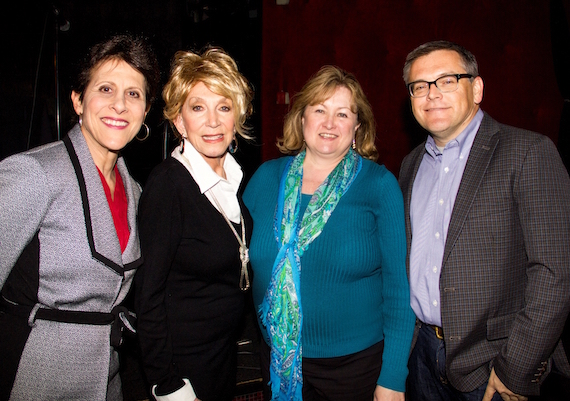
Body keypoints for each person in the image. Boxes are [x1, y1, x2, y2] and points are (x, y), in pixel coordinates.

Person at [399, 40, 570, 401]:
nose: (432, 94)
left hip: (492, 365)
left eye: (447, 80)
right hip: (421, 356)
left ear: (476, 88)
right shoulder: (411, 164)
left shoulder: (527, 152)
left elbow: (554, 274)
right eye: (420, 86)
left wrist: (516, 370)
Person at [0, 34, 160, 401]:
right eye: (105, 88)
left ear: (146, 111)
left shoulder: (134, 190)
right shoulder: (33, 173)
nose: (120, 105)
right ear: (78, 100)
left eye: (134, 94)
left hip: (107, 382)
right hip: (34, 381)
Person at [243, 65, 416, 401]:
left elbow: (398, 290)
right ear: (302, 118)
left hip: (354, 369)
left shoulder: (379, 186)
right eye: (319, 110)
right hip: (276, 357)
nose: (329, 123)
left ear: (357, 127)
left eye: (342, 113)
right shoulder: (265, 178)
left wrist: (394, 375)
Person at [134, 47, 254, 401]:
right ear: (179, 121)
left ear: (238, 117)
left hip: (222, 355)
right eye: (198, 108)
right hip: (182, 369)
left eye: (224, 107)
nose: (213, 121)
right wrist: (167, 384)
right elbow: (148, 294)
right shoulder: (169, 185)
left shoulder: (234, 179)